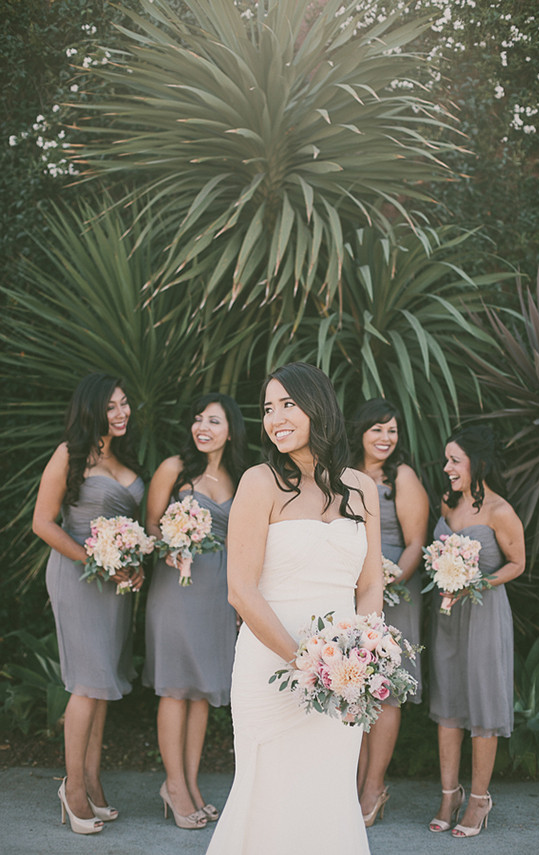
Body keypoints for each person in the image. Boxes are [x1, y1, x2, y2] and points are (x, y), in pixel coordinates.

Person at [206, 362, 383, 855]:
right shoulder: (259, 482)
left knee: (328, 793)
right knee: (269, 793)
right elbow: (240, 590)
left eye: (288, 404)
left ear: (318, 407)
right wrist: (306, 663)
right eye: (267, 408)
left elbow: (370, 586)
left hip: (343, 673)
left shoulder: (361, 488)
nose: (275, 417)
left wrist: (360, 661)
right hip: (271, 665)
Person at [33, 373, 144, 834]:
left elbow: (133, 528)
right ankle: (72, 788)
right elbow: (43, 523)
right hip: (78, 578)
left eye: (124, 404)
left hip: (115, 584)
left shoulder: (124, 456)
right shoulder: (70, 454)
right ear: (92, 409)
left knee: (102, 684)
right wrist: (96, 562)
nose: (120, 413)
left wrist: (133, 565)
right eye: (111, 406)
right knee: (86, 683)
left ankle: (94, 782)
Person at [143, 392, 248, 830]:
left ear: (231, 430)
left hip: (217, 596)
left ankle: (190, 783)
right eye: (198, 419)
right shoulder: (174, 469)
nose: (203, 427)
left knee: (203, 690)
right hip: (177, 590)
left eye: (214, 421)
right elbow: (150, 524)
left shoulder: (241, 478)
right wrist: (171, 542)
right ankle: (174, 785)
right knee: (175, 687)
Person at [428, 425, 525, 838]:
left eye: (455, 460)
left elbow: (517, 563)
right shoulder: (447, 503)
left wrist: (478, 582)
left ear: (476, 462)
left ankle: (480, 799)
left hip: (483, 616)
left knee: (483, 705)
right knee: (447, 704)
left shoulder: (500, 510)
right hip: (447, 617)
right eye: (447, 459)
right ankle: (450, 793)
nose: (447, 467)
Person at [350, 399, 429, 826]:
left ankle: (373, 787)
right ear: (360, 431)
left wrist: (389, 580)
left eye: (392, 431)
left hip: (395, 592)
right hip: (350, 593)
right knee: (355, 687)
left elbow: (416, 540)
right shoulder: (342, 474)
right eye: (377, 429)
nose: (385, 438)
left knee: (387, 690)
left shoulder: (402, 477)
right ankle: (352, 781)